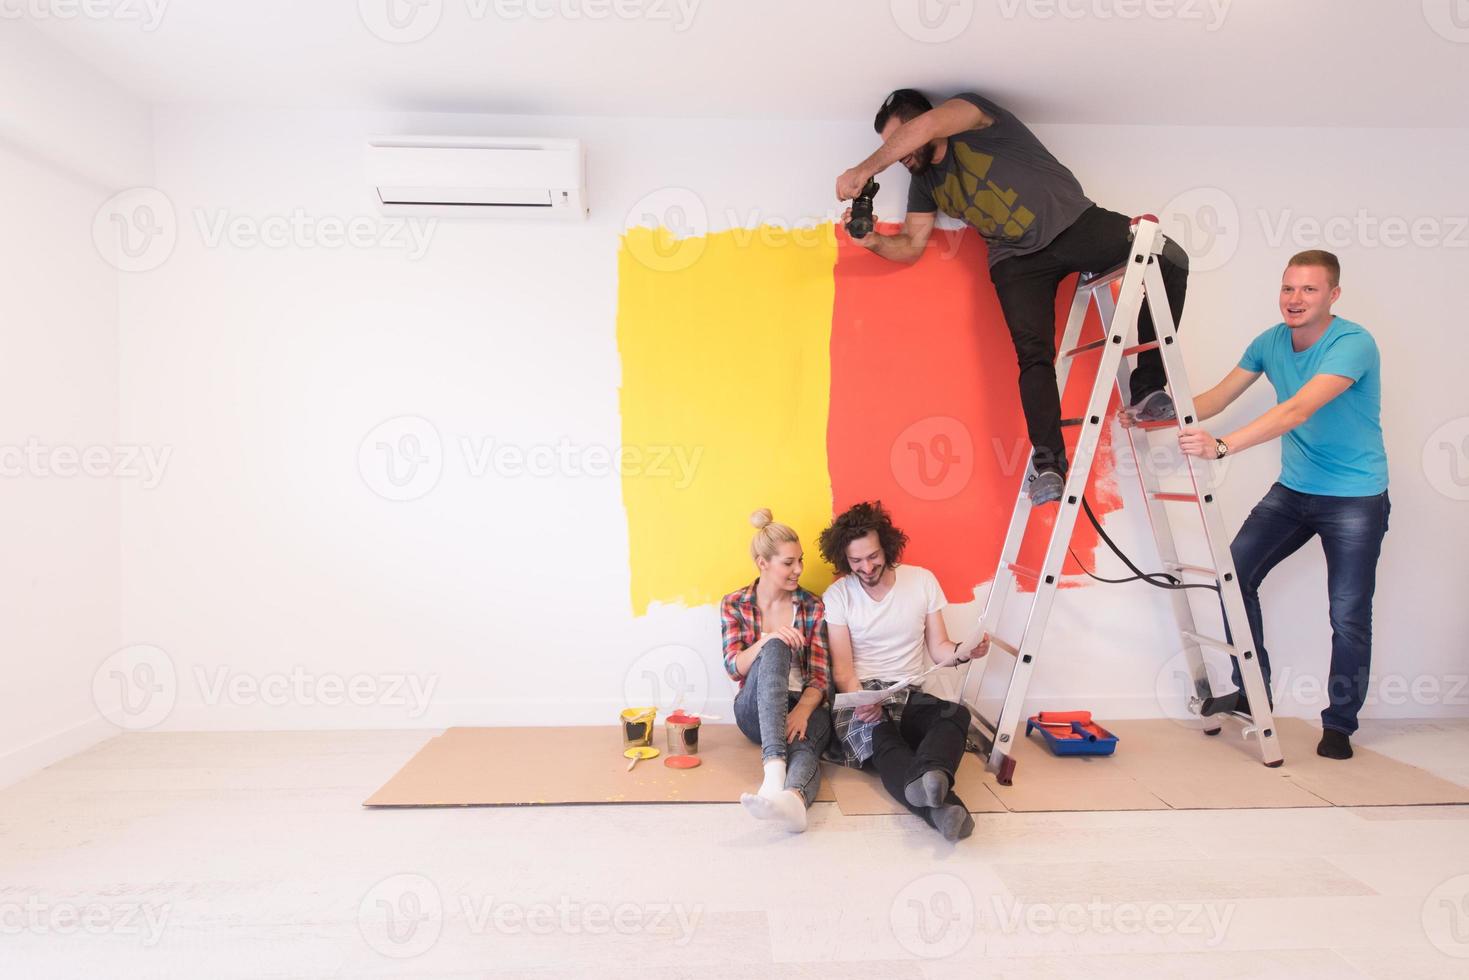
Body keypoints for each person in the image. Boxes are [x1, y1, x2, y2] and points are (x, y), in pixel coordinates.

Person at [836, 89, 1190, 505]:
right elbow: (912, 245)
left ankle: (1148, 387)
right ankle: (1049, 466)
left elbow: (928, 126)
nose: (898, 156)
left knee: (1168, 255)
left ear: (920, 124)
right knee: (1033, 356)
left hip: (1071, 223)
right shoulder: (924, 184)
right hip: (1015, 262)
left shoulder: (973, 114)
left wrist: (863, 168)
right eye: (889, 149)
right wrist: (872, 240)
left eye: (901, 141)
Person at [1124, 250, 1389, 760]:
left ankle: (1339, 725)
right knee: (1233, 576)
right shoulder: (1270, 341)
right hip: (1295, 491)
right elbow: (1218, 397)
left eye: (1309, 290)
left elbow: (1297, 408)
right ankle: (1252, 692)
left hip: (1355, 498)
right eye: (1289, 288)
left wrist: (1222, 446)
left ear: (1333, 295)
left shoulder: (1353, 343)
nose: (1295, 299)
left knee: (1348, 614)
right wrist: (1150, 413)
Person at [817, 501, 989, 841]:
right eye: (856, 561)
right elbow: (844, 671)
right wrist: (865, 702)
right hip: (863, 698)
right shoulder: (838, 596)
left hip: (908, 693)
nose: (866, 567)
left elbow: (940, 648)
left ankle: (932, 774)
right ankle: (943, 811)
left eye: (873, 556)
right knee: (887, 743)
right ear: (844, 559)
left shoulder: (921, 581)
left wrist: (964, 652)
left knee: (955, 715)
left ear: (887, 547)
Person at [721, 509, 832, 832]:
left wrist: (801, 710)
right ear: (763, 563)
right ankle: (773, 769)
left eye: (801, 560)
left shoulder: (812, 606)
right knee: (776, 645)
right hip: (753, 709)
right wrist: (768, 639)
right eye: (788, 562)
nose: (798, 569)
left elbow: (821, 677)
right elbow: (733, 665)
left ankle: (794, 802)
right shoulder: (734, 603)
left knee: (806, 747)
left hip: (805, 705)